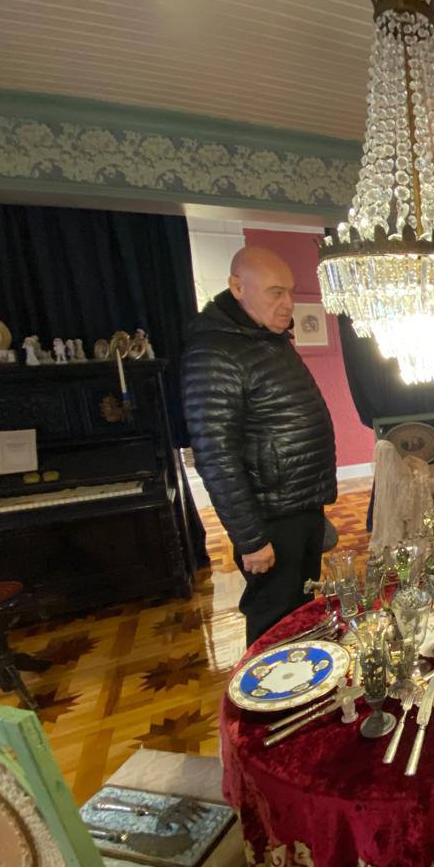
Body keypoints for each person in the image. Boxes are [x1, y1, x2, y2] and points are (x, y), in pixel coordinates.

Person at [181, 246, 338, 646]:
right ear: (237, 287)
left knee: (300, 611)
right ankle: (266, 686)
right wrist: (251, 538)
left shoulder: (267, 339)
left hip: (297, 505)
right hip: (270, 516)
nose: (289, 303)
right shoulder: (215, 350)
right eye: (275, 292)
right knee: (273, 622)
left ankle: (302, 675)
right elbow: (215, 455)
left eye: (291, 291)